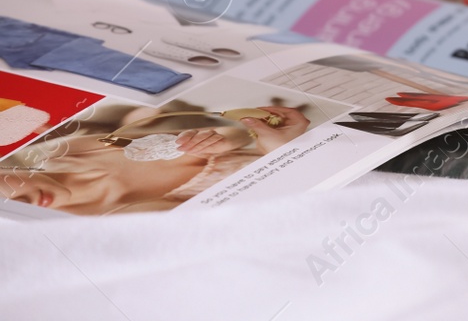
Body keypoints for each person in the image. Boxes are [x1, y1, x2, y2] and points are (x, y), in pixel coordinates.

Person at [0, 106, 310, 215]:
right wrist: (288, 153)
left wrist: (225, 138)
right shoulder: (97, 225)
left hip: (300, 154)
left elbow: (230, 134)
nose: (23, 205)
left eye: (4, 196)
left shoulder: (73, 150)